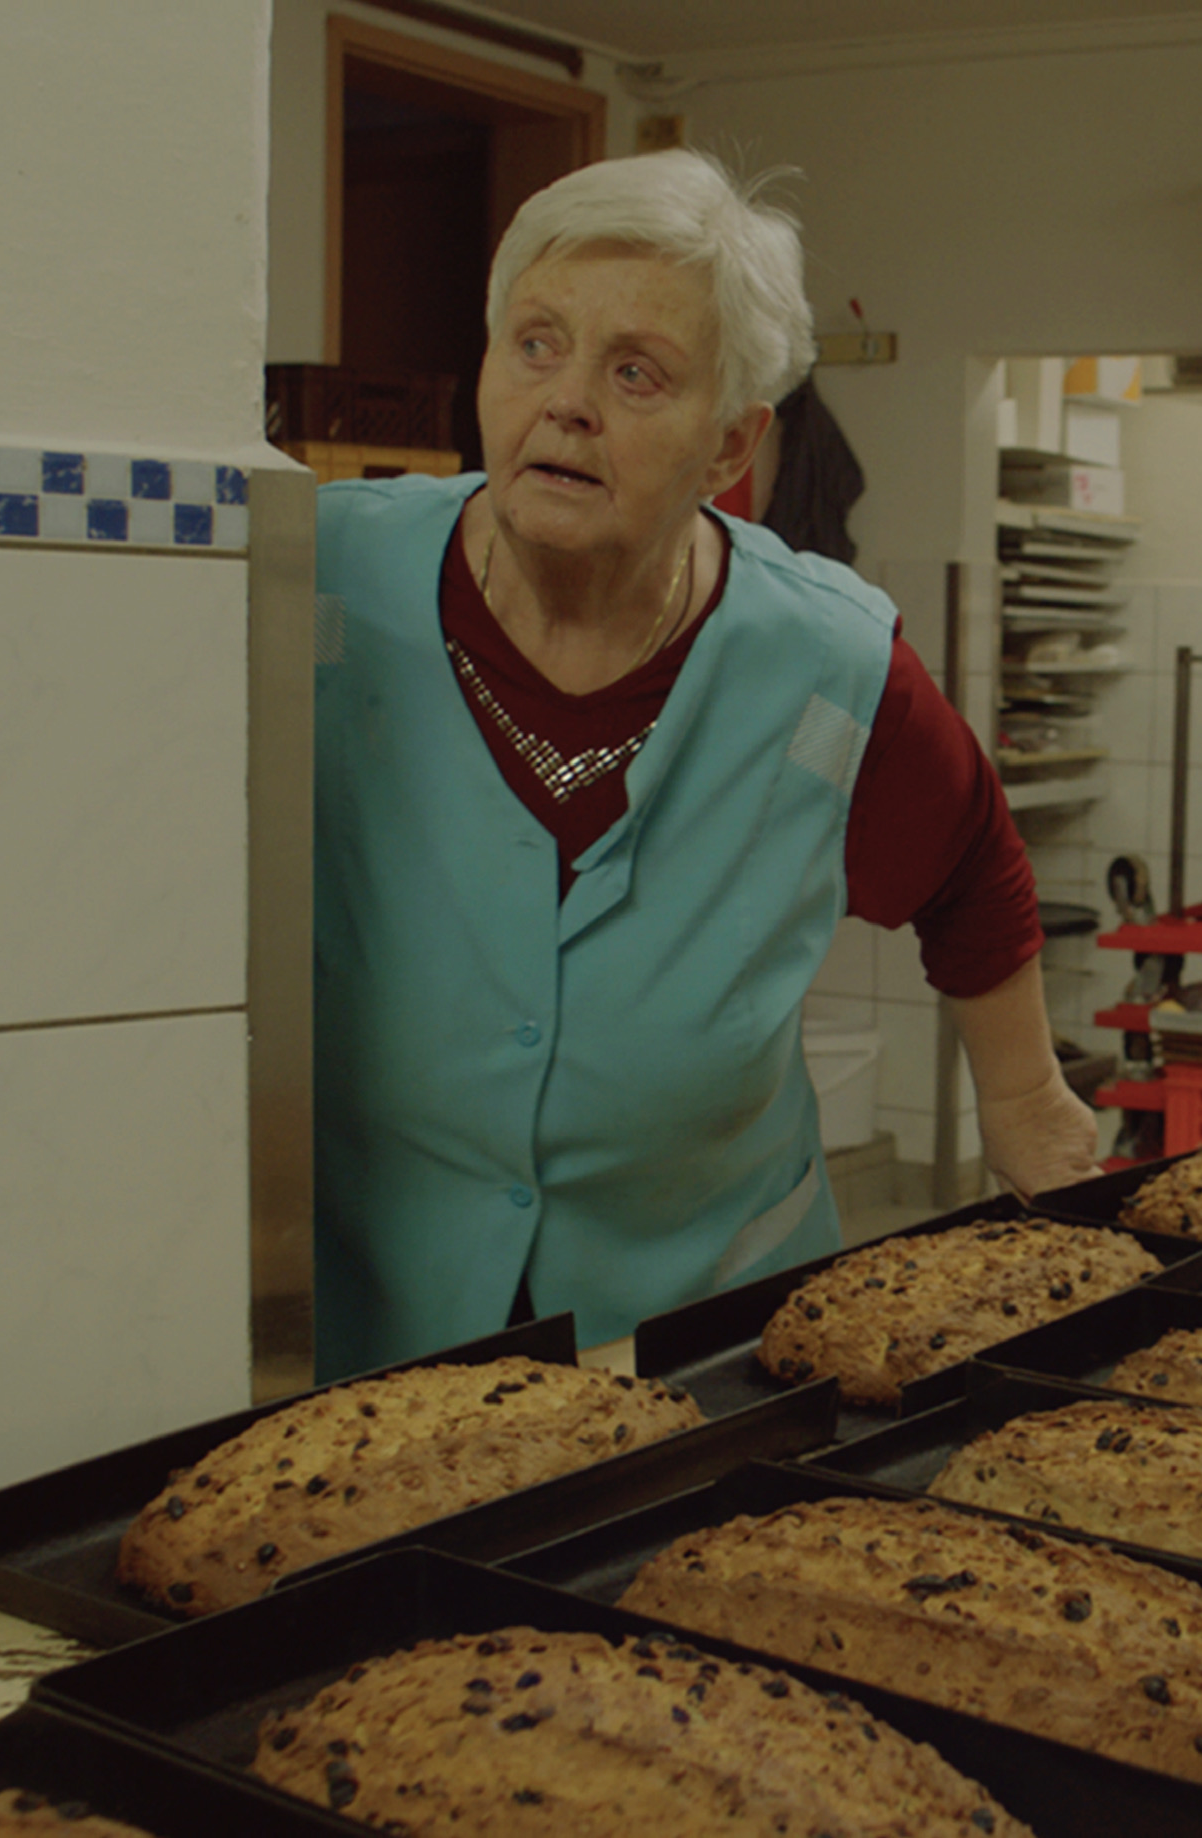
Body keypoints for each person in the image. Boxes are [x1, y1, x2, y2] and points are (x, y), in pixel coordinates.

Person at [311, 148, 1101, 1381]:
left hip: (711, 1327)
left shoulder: (827, 658)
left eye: (635, 373)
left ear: (730, 441)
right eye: (534, 344)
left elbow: (970, 872)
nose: (567, 401)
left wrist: (1027, 1110)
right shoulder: (317, 588)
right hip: (378, 1321)